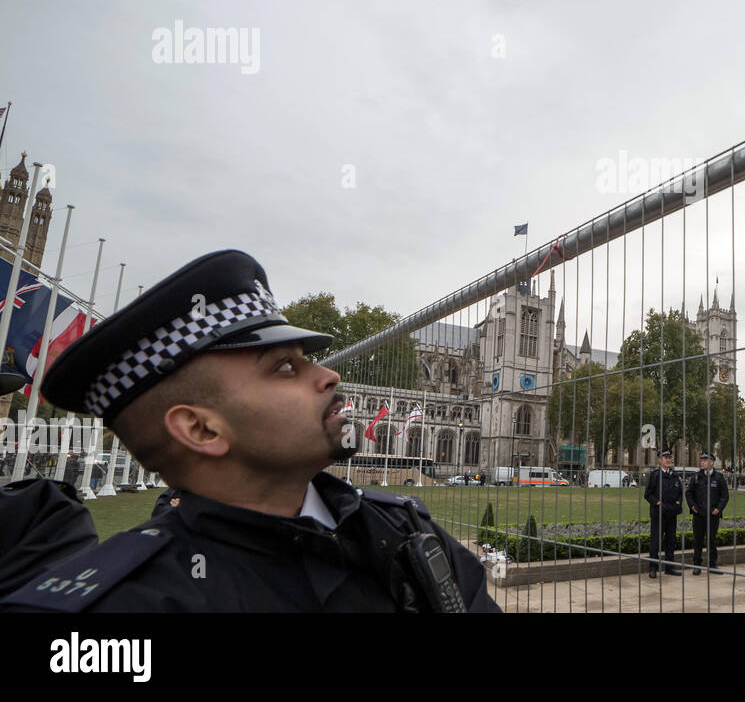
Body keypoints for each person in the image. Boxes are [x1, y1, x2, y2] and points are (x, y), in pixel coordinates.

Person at [0, 249, 498, 613]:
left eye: (309, 360)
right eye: (284, 368)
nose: (329, 376)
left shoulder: (403, 530)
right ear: (199, 428)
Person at [686, 452, 729, 574]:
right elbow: (688, 493)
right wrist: (693, 506)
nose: (702, 462)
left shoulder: (719, 478)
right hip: (699, 515)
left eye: (705, 460)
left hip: (713, 515)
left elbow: (725, 496)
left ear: (711, 462)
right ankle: (697, 565)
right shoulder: (696, 477)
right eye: (702, 460)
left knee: (711, 540)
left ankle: (712, 565)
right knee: (697, 540)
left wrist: (718, 509)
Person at [643, 449, 683, 578]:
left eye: (669, 457)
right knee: (656, 542)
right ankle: (653, 568)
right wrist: (657, 503)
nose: (668, 459)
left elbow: (680, 492)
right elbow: (647, 494)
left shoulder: (675, 475)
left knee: (671, 542)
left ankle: (669, 567)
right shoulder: (654, 475)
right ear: (660, 460)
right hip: (658, 514)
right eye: (665, 457)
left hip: (671, 513)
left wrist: (678, 502)